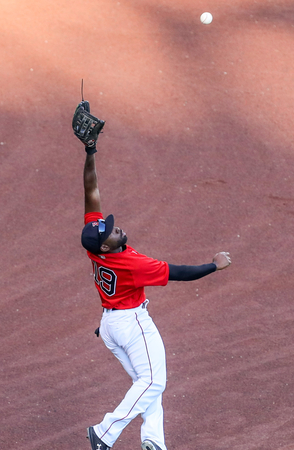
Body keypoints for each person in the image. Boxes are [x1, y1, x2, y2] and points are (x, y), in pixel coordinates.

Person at [79, 134, 231, 450]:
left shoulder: (96, 248)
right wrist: (213, 266)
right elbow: (179, 273)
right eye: (113, 231)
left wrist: (90, 151)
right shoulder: (131, 263)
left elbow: (91, 191)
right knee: (153, 381)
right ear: (107, 244)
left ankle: (153, 441)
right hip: (131, 324)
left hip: (110, 325)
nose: (117, 227)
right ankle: (105, 433)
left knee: (146, 383)